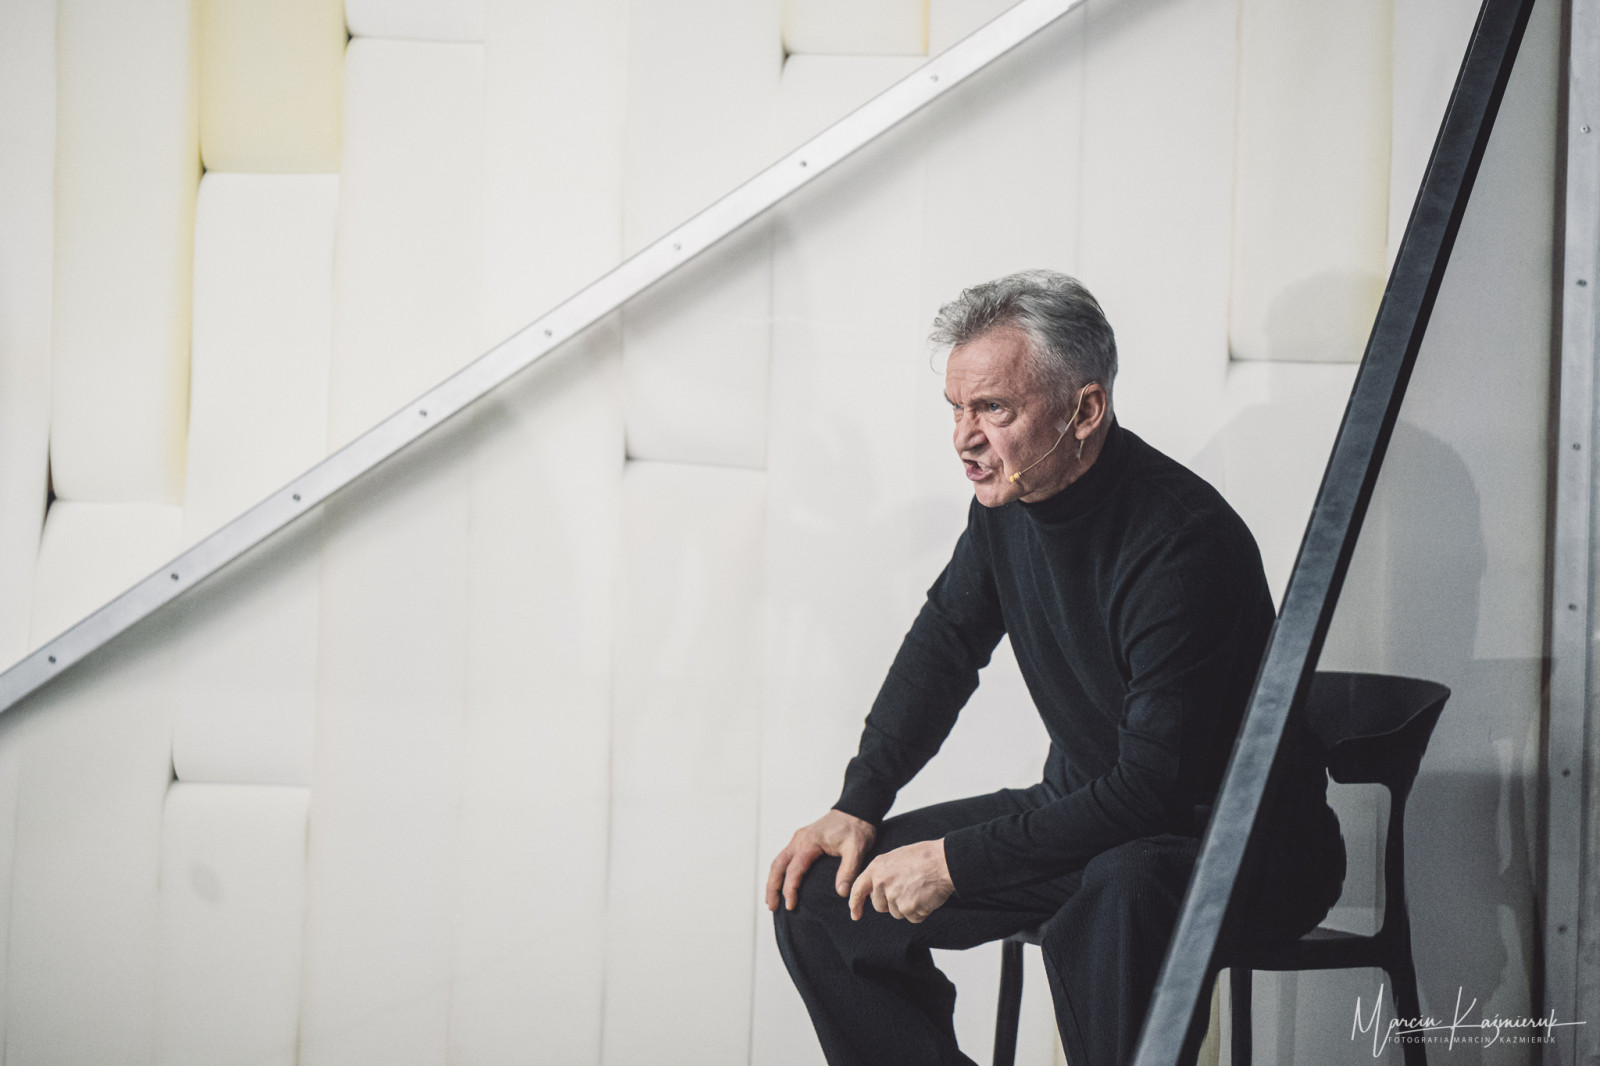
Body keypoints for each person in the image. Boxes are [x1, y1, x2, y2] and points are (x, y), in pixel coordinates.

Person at [764, 270, 1346, 1066]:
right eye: (956, 409)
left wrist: (956, 863)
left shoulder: (1182, 543)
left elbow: (1151, 790)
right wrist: (859, 802)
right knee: (822, 900)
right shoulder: (1007, 506)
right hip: (1088, 822)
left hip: (1236, 848)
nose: (964, 438)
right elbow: (945, 647)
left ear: (1085, 410)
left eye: (993, 409)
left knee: (1116, 896)